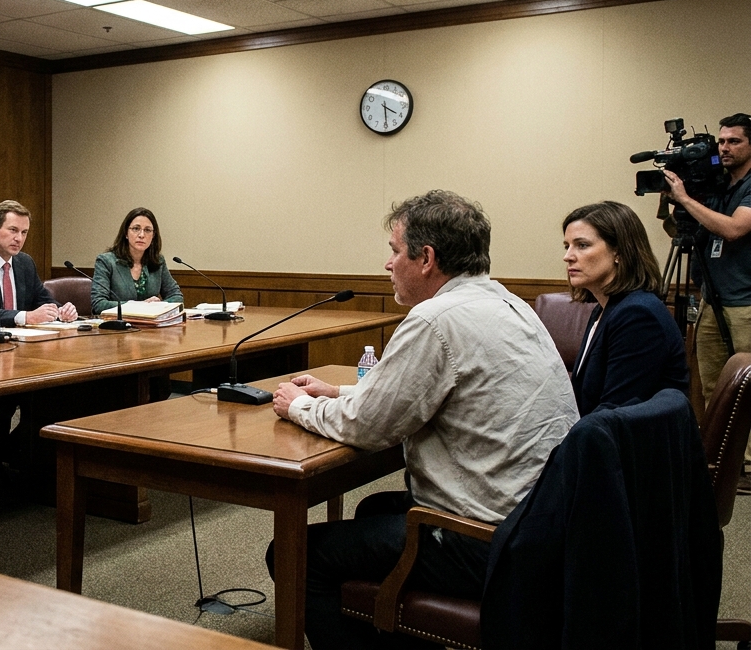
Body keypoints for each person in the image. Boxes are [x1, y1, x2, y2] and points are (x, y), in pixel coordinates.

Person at [270, 190, 577, 650]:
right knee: (373, 510)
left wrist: (297, 405)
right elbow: (438, 390)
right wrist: (337, 391)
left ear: (427, 258)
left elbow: (368, 427)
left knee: (295, 555)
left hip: (486, 539)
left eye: (395, 251)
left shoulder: (435, 319)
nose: (388, 264)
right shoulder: (510, 304)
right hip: (543, 525)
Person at [0, 200, 77, 485]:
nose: (19, 238)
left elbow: (42, 299)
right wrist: (24, 317)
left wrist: (60, 309)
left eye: (24, 232)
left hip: (22, 351)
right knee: (5, 393)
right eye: (13, 230)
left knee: (55, 390)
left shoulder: (25, 262)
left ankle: (18, 452)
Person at [665, 112, 751, 494]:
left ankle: (748, 465)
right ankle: (724, 460)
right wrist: (676, 202)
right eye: (721, 141)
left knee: (746, 385)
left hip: (744, 301)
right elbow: (685, 230)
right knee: (716, 387)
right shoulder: (715, 184)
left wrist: (685, 197)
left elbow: (733, 229)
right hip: (710, 296)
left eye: (734, 141)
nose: (725, 147)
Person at [562, 201, 688, 415]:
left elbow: (617, 412)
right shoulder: (603, 309)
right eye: (567, 246)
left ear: (618, 252)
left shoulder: (638, 315)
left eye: (582, 245)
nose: (568, 256)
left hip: (636, 444)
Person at [90, 207, 183, 315]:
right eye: (136, 228)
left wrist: (159, 306)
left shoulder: (157, 261)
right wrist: (139, 306)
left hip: (151, 327)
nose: (141, 235)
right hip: (117, 327)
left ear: (153, 236)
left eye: (147, 230)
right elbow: (99, 304)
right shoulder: (106, 261)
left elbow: (176, 296)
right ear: (126, 233)